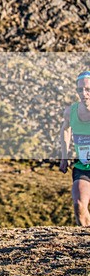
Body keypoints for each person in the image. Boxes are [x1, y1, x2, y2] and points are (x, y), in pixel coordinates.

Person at [59, 71, 90, 227]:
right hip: (83, 167)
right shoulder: (70, 112)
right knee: (79, 205)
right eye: (80, 90)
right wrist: (64, 156)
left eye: (88, 89)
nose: (83, 94)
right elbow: (65, 129)